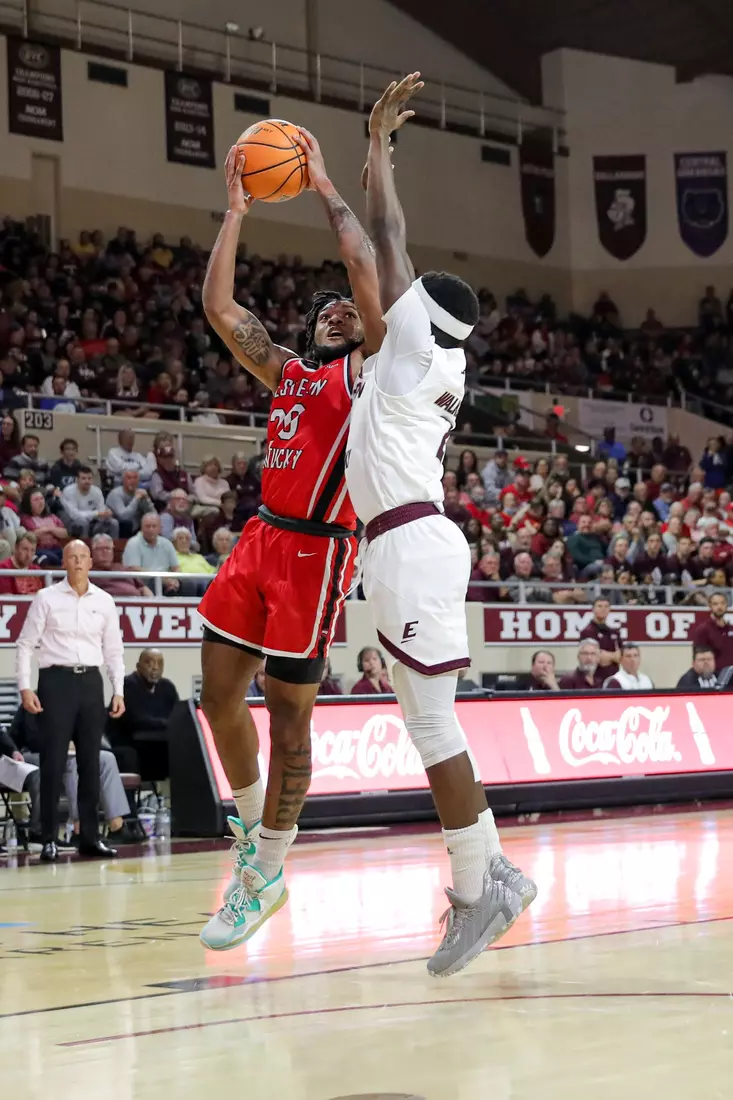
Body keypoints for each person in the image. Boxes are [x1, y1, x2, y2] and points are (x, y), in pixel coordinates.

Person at [343, 73, 532, 979]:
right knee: (429, 721)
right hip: (408, 543)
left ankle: (481, 883)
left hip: (410, 544)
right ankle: (485, 873)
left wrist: (377, 145)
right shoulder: (416, 361)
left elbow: (387, 235)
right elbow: (387, 261)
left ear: (426, 320)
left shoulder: (417, 348)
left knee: (431, 728)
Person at [196, 109, 390, 952]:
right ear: (309, 329)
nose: (342, 314)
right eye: (331, 313)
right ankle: (251, 837)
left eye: (350, 311)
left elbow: (361, 260)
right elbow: (218, 306)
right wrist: (236, 212)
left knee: (289, 716)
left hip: (318, 548)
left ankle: (269, 868)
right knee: (217, 695)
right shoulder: (286, 371)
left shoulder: (366, 372)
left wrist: (317, 183)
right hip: (261, 538)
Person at [15, 540, 125, 862]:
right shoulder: (45, 598)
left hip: (91, 683)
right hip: (55, 681)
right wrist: (25, 688)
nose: (77, 562)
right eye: (71, 557)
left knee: (91, 763)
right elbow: (24, 645)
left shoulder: (105, 601)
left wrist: (118, 690)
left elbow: (114, 651)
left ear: (90, 562)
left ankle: (89, 838)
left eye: (82, 557)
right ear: (63, 562)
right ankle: (48, 838)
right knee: (52, 763)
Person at [112, 650, 179, 780]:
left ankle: (175, 798)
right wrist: (166, 723)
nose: (155, 667)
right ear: (138, 666)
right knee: (130, 755)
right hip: (130, 742)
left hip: (158, 742)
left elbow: (176, 716)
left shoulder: (167, 687)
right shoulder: (127, 686)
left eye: (160, 663)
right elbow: (135, 720)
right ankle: (129, 800)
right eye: (149, 662)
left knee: (184, 751)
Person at [122, 512, 180, 593]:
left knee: (189, 584)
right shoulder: (133, 543)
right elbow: (134, 569)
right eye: (147, 526)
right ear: (141, 528)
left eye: (154, 526)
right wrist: (161, 579)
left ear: (160, 528)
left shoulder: (166, 543)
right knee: (154, 583)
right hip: (144, 583)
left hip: (166, 581)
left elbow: (176, 567)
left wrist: (175, 580)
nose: (151, 529)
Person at [61, 466, 119, 539]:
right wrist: (96, 513)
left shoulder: (97, 491)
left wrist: (106, 514)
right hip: (72, 522)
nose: (87, 481)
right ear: (77, 480)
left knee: (113, 523)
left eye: (89, 478)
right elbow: (74, 515)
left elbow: (101, 511)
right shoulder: (69, 491)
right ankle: (84, 548)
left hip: (94, 521)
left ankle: (110, 547)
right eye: (83, 478)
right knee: (83, 522)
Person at [579, 597, 622, 678]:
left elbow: (621, 657)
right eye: (600, 606)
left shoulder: (614, 632)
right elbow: (597, 658)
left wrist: (608, 656)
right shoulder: (587, 632)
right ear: (593, 609)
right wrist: (614, 656)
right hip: (595, 678)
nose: (603, 609)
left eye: (606, 606)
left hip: (614, 678)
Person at [691, 591, 733, 672]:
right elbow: (698, 658)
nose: (719, 607)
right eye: (715, 604)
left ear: (726, 605)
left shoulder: (731, 629)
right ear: (710, 606)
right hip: (714, 679)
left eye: (722, 603)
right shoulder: (703, 630)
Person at [106, 469, 154, 537]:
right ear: (123, 480)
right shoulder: (115, 494)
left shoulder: (141, 492)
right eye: (129, 478)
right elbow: (124, 516)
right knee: (127, 523)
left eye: (135, 478)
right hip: (119, 529)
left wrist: (147, 500)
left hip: (137, 530)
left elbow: (153, 515)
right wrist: (136, 499)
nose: (132, 481)